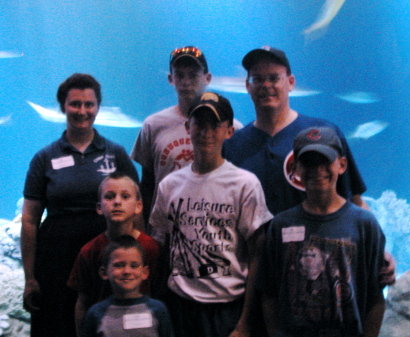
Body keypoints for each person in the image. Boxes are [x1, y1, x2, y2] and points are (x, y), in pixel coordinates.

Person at [223, 46, 395, 286]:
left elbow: (354, 201)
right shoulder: (233, 146)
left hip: (326, 267)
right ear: (247, 86)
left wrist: (380, 251)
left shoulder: (324, 134)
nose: (266, 85)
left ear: (291, 82)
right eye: (258, 79)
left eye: (274, 78)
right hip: (259, 275)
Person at [21, 73, 139, 337]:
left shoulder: (116, 153)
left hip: (107, 255)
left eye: (89, 104)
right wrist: (30, 277)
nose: (82, 111)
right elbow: (29, 220)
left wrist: (138, 257)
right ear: (63, 107)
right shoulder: (44, 158)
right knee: (57, 325)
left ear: (98, 107)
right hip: (55, 259)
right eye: (75, 104)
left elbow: (136, 209)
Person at [149, 92, 273, 337]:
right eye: (199, 124)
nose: (206, 132)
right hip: (179, 305)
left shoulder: (244, 184)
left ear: (229, 131)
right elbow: (159, 247)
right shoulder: (169, 185)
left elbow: (258, 253)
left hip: (227, 308)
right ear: (188, 127)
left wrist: (245, 322)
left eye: (214, 125)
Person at [258, 126, 386, 336]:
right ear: (296, 168)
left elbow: (375, 297)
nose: (317, 169)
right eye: (308, 162)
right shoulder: (281, 225)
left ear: (342, 165)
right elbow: (269, 294)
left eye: (325, 161)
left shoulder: (365, 224)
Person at [131, 46, 242, 223]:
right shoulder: (153, 125)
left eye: (193, 75)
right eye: (180, 75)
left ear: (208, 78)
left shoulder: (231, 127)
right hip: (166, 228)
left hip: (215, 226)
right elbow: (147, 184)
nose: (186, 81)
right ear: (170, 79)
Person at [67, 172, 160, 337]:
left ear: (138, 206)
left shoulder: (152, 248)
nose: (117, 202)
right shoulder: (89, 251)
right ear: (99, 207)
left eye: (125, 196)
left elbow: (160, 296)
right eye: (109, 197)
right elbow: (82, 303)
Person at [83, 235, 174, 337]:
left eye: (134, 266)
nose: (127, 271)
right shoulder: (96, 313)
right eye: (119, 265)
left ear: (144, 272)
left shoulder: (158, 309)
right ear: (104, 273)